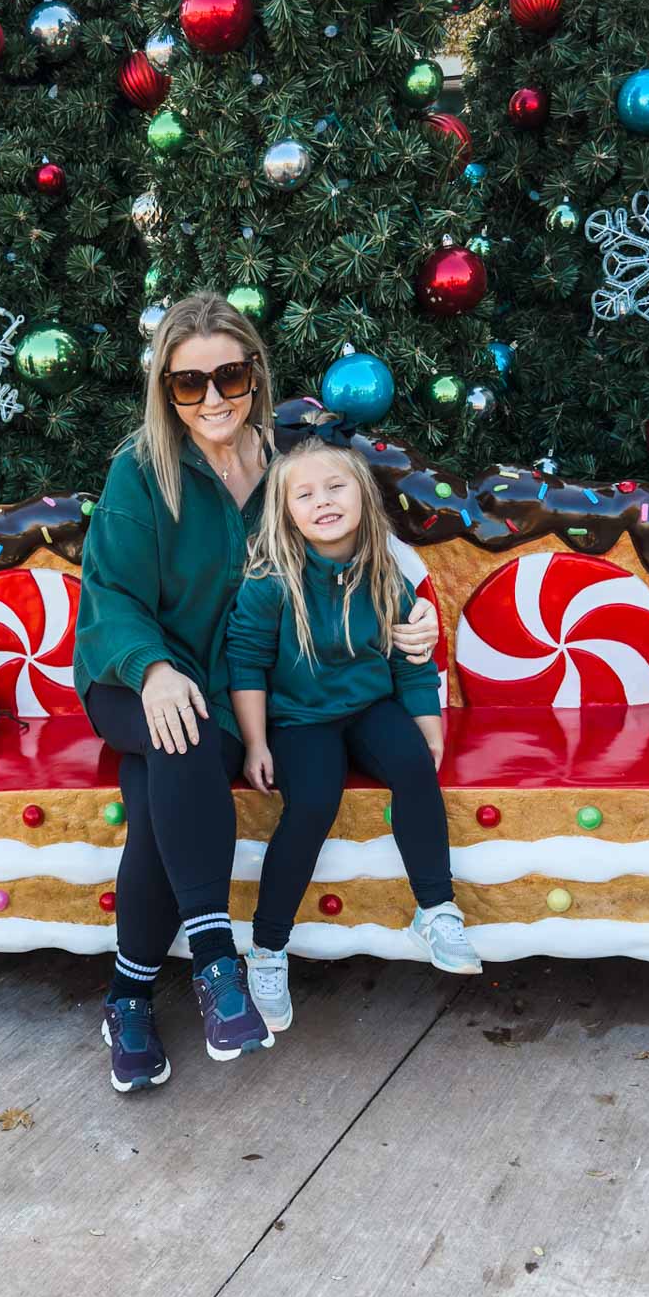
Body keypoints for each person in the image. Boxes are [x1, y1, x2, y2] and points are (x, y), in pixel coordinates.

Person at [73, 292, 440, 1092]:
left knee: (160, 789)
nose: (212, 398)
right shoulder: (141, 471)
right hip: (133, 674)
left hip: (230, 689)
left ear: (255, 376)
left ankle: (128, 998)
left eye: (229, 376)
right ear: (166, 390)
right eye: (189, 382)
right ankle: (216, 964)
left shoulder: (285, 466)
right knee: (178, 738)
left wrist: (412, 625)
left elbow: (356, 556)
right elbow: (111, 595)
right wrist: (153, 669)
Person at [226, 427, 482, 1037]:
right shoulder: (271, 582)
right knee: (314, 800)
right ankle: (267, 946)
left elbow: (409, 660)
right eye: (305, 494)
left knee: (414, 766)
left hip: (368, 707)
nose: (323, 501)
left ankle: (436, 910)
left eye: (336, 487)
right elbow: (246, 664)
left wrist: (428, 725)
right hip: (298, 719)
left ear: (363, 495)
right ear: (287, 513)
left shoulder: (385, 574)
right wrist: (256, 742)